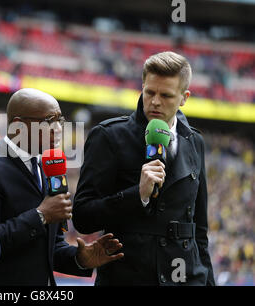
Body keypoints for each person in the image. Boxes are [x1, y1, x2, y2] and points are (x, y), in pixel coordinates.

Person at [73, 51, 215, 286]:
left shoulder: (194, 142)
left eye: (166, 95)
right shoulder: (109, 136)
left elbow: (199, 230)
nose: (155, 101)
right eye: (149, 92)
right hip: (128, 278)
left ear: (184, 97)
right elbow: (83, 216)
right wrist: (136, 195)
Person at [0, 88, 124, 286]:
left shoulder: (49, 168)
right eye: (50, 120)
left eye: (60, 120)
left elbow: (50, 248)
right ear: (18, 127)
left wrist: (80, 259)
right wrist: (40, 215)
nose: (58, 128)